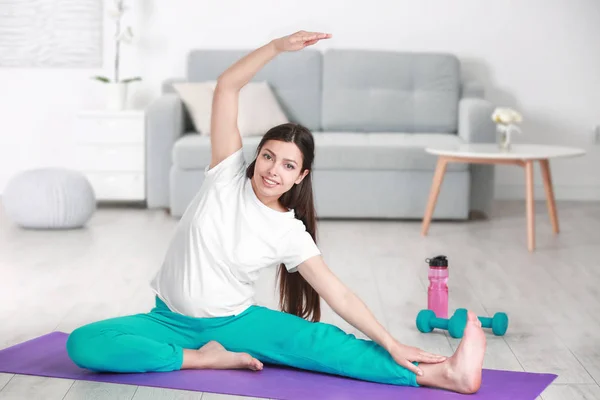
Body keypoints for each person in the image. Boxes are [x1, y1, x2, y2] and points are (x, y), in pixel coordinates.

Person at [66, 30, 486, 394]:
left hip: (235, 325)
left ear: (301, 176)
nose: (273, 170)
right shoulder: (224, 174)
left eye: (287, 165)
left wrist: (391, 341)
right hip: (165, 320)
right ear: (256, 155)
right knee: (84, 344)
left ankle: (445, 375)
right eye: (268, 156)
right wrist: (277, 47)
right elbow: (227, 87)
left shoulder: (289, 231)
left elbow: (337, 293)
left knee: (324, 346)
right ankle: (202, 359)